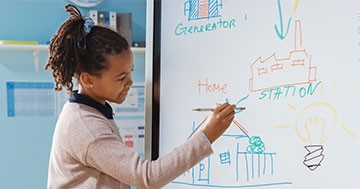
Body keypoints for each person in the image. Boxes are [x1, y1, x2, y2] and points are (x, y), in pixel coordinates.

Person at [46, 4, 236, 189]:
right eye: (121, 78)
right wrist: (207, 135)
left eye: (130, 72)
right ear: (88, 79)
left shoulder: (92, 111)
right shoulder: (86, 126)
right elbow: (148, 178)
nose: (130, 82)